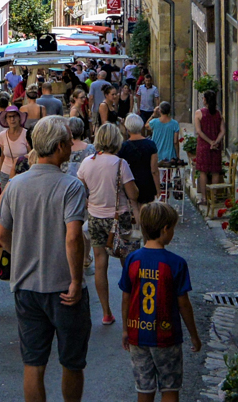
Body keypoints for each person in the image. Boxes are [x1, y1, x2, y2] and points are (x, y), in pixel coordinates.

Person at [0, 117, 90, 402]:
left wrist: (23, 254)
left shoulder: (15, 185)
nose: (72, 145)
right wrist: (76, 280)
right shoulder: (71, 186)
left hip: (26, 286)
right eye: (69, 142)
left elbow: (2, 235)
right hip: (63, 287)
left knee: (33, 364)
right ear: (59, 147)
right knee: (71, 363)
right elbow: (73, 237)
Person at [119, 202, 202, 402]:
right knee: (170, 388)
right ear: (165, 229)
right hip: (166, 336)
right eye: (172, 228)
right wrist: (194, 335)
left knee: (144, 389)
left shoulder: (132, 260)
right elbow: (183, 304)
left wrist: (125, 329)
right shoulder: (176, 263)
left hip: (138, 334)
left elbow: (126, 298)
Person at [77, 123, 140, 326]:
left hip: (95, 217)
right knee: (127, 264)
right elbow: (133, 194)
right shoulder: (120, 164)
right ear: (116, 140)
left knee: (100, 264)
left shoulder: (87, 162)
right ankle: (130, 309)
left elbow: (81, 190)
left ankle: (106, 313)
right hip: (119, 218)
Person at [119, 114, 161, 219]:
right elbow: (154, 170)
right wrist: (158, 188)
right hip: (147, 180)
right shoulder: (150, 145)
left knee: (134, 206)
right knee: (146, 209)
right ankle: (145, 227)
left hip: (131, 180)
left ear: (127, 128)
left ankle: (138, 226)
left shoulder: (124, 147)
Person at [194, 90, 226, 202]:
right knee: (215, 171)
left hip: (203, 146)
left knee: (203, 172)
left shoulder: (199, 113)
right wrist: (216, 142)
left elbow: (199, 131)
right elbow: (222, 131)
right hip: (216, 147)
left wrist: (209, 142)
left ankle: (204, 198)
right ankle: (214, 197)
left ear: (205, 100)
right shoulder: (218, 113)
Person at [0, 105, 30, 186]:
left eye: (14, 116)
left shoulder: (26, 134)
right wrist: (0, 171)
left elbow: (31, 155)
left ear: (19, 118)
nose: (12, 119)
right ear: (6, 119)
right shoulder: (2, 135)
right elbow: (1, 156)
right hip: (6, 173)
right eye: (9, 117)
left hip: (23, 174)